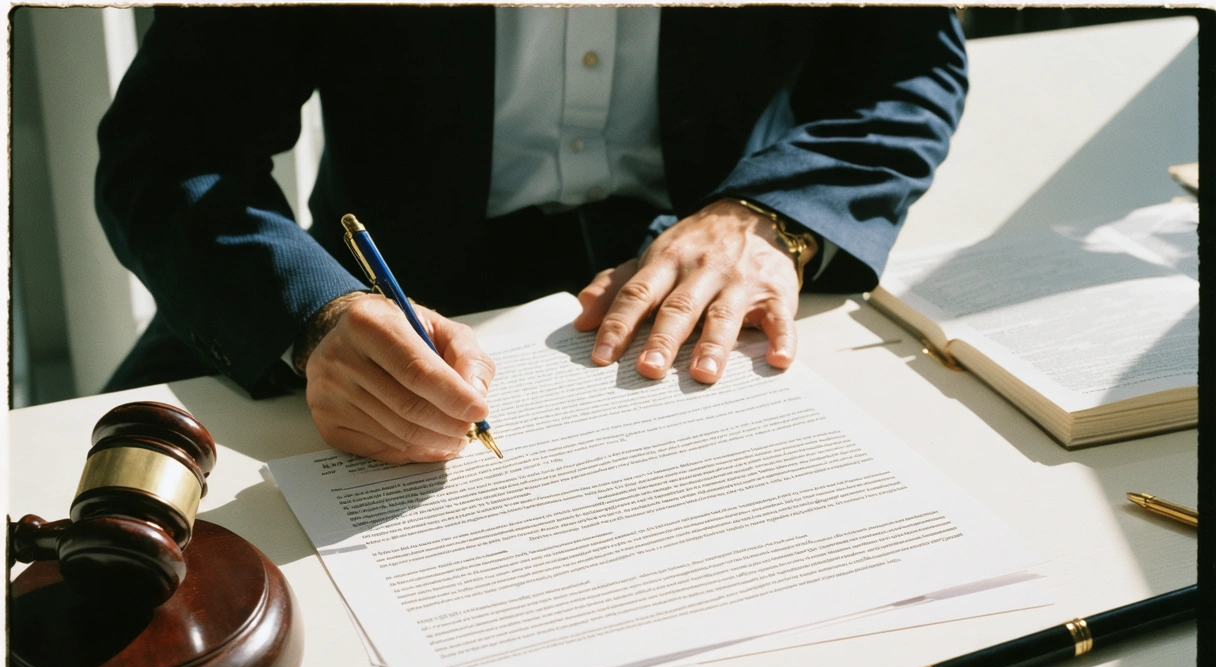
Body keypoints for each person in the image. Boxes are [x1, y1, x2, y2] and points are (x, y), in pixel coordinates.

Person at [96, 5, 967, 463]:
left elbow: (907, 66)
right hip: (386, 280)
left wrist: (769, 215)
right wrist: (312, 316)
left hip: (693, 266)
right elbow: (170, 149)